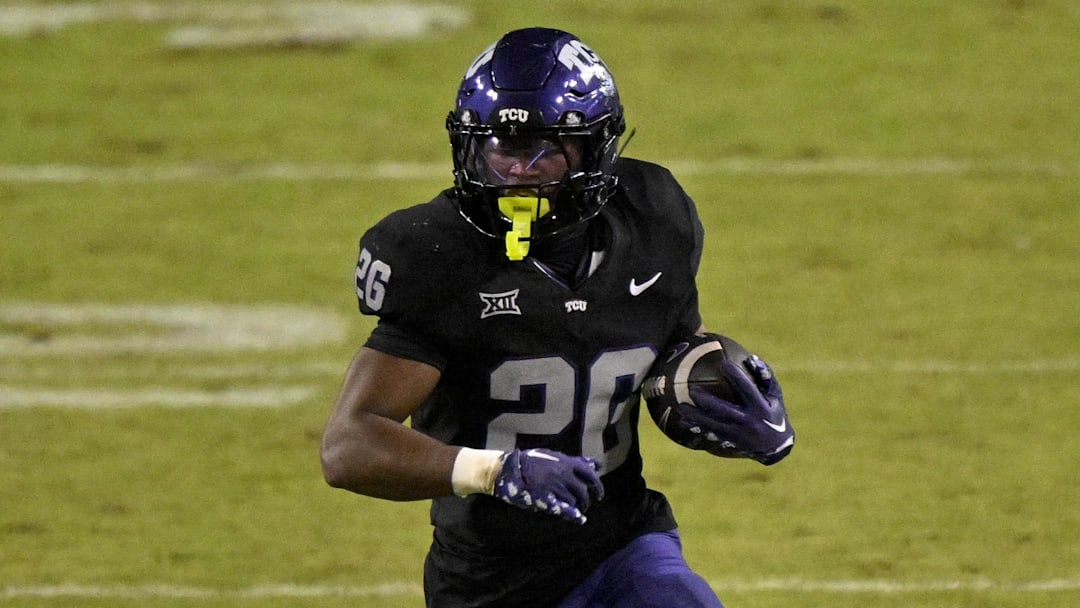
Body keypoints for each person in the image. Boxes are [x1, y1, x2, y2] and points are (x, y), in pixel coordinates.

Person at [320, 27, 795, 608]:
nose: (519, 170)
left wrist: (732, 401)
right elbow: (348, 446)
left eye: (543, 150)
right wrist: (495, 471)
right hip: (489, 580)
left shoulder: (654, 216)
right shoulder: (435, 254)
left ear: (594, 149)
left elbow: (671, 349)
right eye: (501, 148)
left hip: (620, 545)